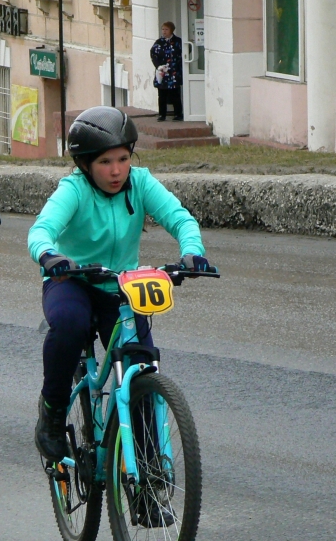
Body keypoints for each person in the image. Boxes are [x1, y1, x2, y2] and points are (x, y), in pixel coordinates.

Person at [28, 106, 213, 464]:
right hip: (73, 280)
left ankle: (147, 478)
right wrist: (50, 256)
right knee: (69, 324)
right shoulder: (75, 189)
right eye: (104, 162)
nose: (116, 171)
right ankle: (51, 414)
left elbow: (180, 219)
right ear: (84, 164)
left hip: (121, 288)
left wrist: (192, 253)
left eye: (123, 158)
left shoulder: (140, 182)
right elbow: (42, 229)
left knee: (139, 369)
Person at [150, 21, 183, 122]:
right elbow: (153, 54)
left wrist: (178, 64)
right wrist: (158, 66)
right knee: (162, 94)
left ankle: (178, 114)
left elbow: (184, 52)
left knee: (175, 93)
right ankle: (162, 114)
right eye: (163, 29)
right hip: (163, 72)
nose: (164, 32)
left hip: (174, 72)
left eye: (166, 29)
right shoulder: (159, 42)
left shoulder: (178, 41)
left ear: (171, 30)